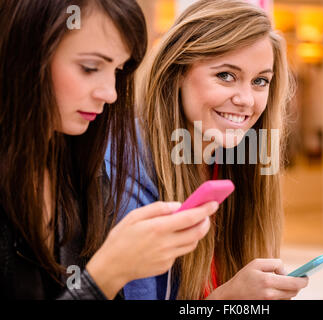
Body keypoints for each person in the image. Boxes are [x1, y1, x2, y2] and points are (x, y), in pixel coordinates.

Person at [0, 0, 217, 300]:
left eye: (118, 70)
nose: (110, 93)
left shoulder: (81, 167)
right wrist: (108, 273)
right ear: (26, 51)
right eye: (90, 68)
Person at [109, 0, 309, 300]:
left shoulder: (233, 161)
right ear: (177, 71)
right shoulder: (128, 166)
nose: (246, 100)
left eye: (259, 81)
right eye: (226, 76)